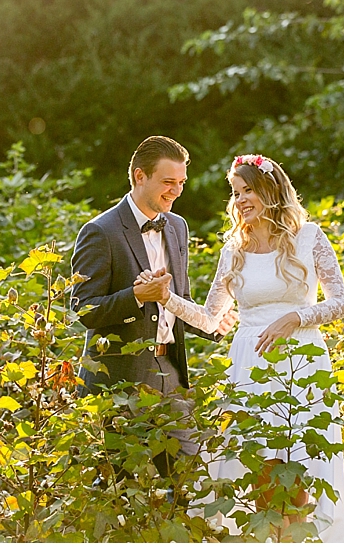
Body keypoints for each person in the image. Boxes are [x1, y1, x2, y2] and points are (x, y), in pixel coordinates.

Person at [135, 153, 344, 541]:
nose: (240, 200)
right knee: (263, 474)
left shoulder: (309, 237)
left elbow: (340, 303)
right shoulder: (234, 249)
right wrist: (166, 298)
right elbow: (209, 318)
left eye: (248, 190)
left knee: (301, 473)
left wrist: (295, 318)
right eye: (235, 193)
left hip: (302, 361)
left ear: (271, 189)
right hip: (250, 364)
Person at [71, 135, 236, 476]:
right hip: (119, 383)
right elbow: (84, 309)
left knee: (191, 483)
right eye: (167, 182)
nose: (176, 191)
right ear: (138, 176)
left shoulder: (177, 227)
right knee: (117, 491)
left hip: (172, 377)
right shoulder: (100, 231)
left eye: (181, 183)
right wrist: (135, 297)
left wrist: (211, 324)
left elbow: (181, 301)